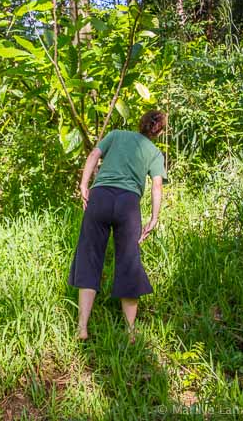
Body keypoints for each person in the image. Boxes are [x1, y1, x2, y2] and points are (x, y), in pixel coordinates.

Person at [68, 110, 167, 341]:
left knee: (89, 256)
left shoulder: (116, 134)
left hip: (100, 197)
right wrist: (154, 217)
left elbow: (94, 154)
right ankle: (131, 331)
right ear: (159, 131)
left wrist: (84, 184)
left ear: (139, 123)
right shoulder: (154, 152)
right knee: (129, 261)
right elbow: (157, 186)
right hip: (128, 205)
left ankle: (82, 328)